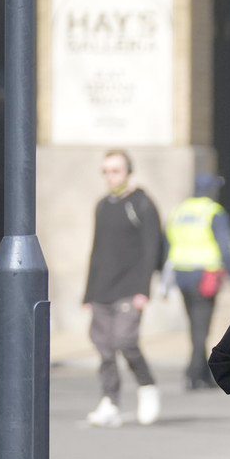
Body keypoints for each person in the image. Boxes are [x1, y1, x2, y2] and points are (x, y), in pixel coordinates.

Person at [83, 149, 163, 428]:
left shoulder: (141, 203)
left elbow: (152, 248)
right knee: (104, 349)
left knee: (125, 341)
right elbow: (96, 250)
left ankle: (147, 386)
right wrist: (88, 293)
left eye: (115, 170)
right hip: (102, 290)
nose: (110, 176)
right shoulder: (102, 205)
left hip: (130, 288)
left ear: (128, 171)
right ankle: (110, 401)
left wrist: (143, 290)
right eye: (105, 171)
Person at [163, 173, 230, 390]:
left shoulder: (179, 211)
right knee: (201, 328)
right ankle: (192, 373)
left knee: (195, 325)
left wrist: (165, 279)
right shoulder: (213, 211)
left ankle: (204, 375)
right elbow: (226, 246)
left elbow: (167, 244)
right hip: (205, 276)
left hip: (182, 275)